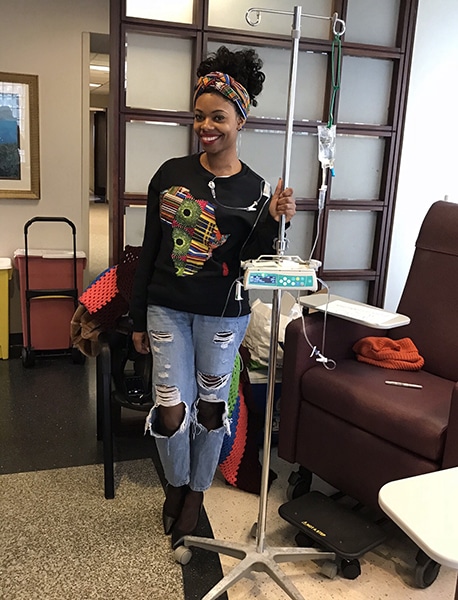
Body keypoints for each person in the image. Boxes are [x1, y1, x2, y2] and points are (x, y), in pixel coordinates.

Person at [130, 45, 296, 549]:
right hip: (167, 308)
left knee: (208, 410)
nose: (206, 125)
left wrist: (274, 220)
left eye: (218, 117)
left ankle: (197, 492)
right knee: (170, 410)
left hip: (224, 314)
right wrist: (137, 316)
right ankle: (177, 483)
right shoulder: (170, 174)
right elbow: (150, 249)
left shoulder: (258, 188)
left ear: (240, 120)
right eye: (200, 115)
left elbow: (253, 259)